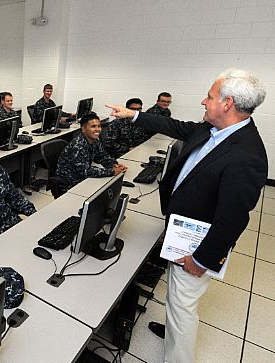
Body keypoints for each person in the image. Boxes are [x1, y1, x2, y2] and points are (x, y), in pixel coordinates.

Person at [106, 68, 267, 363]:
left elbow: (232, 219)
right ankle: (172, 334)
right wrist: (134, 115)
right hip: (181, 228)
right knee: (176, 296)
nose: (203, 101)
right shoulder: (211, 129)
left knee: (183, 305)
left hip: (197, 244)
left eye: (209, 96)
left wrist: (203, 259)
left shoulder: (247, 156)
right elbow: (177, 127)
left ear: (227, 103)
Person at [56, 113, 127, 193]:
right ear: (84, 129)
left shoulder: (95, 140)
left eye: (99, 126)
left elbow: (102, 156)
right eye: (93, 126)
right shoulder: (78, 146)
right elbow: (86, 171)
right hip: (71, 180)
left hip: (82, 174)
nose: (97, 129)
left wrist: (114, 164)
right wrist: (112, 171)